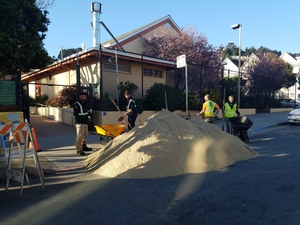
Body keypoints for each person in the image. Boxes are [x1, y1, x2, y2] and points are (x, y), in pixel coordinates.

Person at [73, 92, 93, 156]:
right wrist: (79, 122)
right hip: (80, 123)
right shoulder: (77, 104)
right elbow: (76, 114)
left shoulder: (85, 104)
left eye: (85, 96)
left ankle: (84, 146)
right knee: (80, 136)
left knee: (85, 135)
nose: (84, 98)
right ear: (80, 97)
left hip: (85, 122)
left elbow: (86, 113)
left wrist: (88, 118)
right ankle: (79, 150)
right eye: (82, 96)